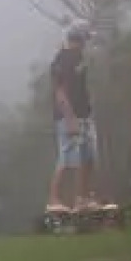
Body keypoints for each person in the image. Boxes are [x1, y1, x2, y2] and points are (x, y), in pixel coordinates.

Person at [47, 22, 99, 212]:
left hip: (84, 114)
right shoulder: (62, 59)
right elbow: (59, 91)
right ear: (78, 38)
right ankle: (54, 199)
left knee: (88, 157)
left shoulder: (79, 59)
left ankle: (82, 199)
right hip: (68, 116)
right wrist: (69, 118)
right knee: (68, 158)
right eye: (85, 38)